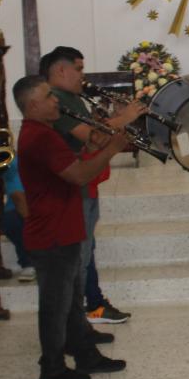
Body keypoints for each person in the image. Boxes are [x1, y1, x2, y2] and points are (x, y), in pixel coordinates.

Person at [12, 74, 130, 379]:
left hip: (62, 228)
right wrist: (112, 148)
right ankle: (51, 367)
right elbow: (77, 176)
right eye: (49, 96)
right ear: (34, 105)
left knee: (70, 298)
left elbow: (69, 165)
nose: (56, 101)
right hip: (52, 233)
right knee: (56, 304)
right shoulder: (39, 136)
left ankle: (85, 355)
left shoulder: (43, 132)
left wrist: (96, 143)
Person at [41, 46, 142, 324]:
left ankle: (92, 303)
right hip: (72, 185)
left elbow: (90, 136)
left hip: (83, 182)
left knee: (86, 251)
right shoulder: (57, 99)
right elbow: (92, 137)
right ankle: (78, 317)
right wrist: (124, 118)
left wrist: (109, 121)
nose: (82, 76)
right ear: (61, 70)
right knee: (79, 255)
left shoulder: (69, 97)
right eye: (79, 69)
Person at [0, 157, 36, 281]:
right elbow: (18, 198)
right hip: (19, 209)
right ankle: (29, 261)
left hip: (43, 204)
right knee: (11, 220)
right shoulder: (12, 165)